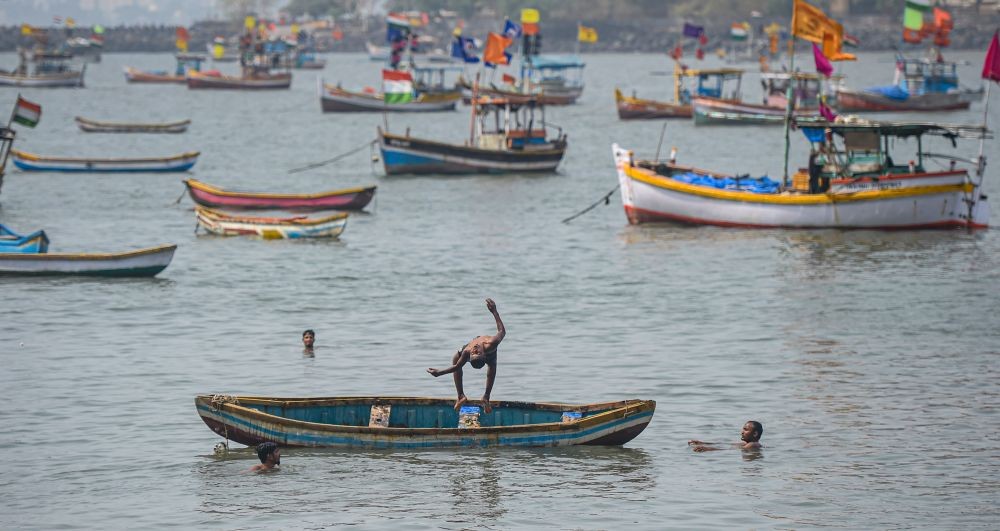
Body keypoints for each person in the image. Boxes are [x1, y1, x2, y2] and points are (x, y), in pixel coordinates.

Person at [427, 298, 505, 413]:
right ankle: (464, 396)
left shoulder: (471, 350)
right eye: (476, 352)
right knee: (457, 359)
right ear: (482, 355)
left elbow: (457, 367)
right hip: (488, 354)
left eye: (476, 352)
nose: (475, 349)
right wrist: (494, 312)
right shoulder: (487, 345)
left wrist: (439, 373)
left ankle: (484, 397)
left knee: (492, 367)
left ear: (484, 355)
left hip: (489, 355)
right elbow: (501, 331)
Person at [689, 420, 763, 452]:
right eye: (743, 429)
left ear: (755, 434)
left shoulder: (753, 444)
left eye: (746, 430)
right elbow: (725, 444)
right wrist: (702, 443)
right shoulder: (746, 444)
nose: (742, 432)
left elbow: (730, 450)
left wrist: (708, 449)